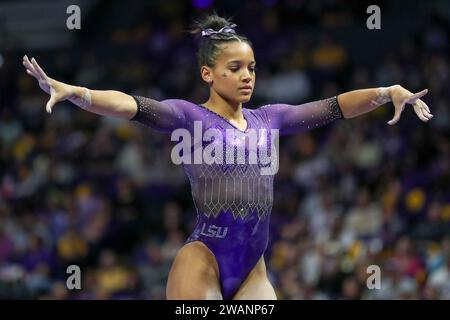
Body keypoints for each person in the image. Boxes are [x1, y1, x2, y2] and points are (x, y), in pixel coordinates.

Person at [22, 14, 433, 300]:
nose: (247, 76)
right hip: (203, 260)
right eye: (234, 68)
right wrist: (79, 93)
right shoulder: (188, 117)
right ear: (208, 74)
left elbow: (335, 106)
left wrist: (384, 93)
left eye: (251, 67)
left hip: (254, 267)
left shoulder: (269, 118)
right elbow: (131, 104)